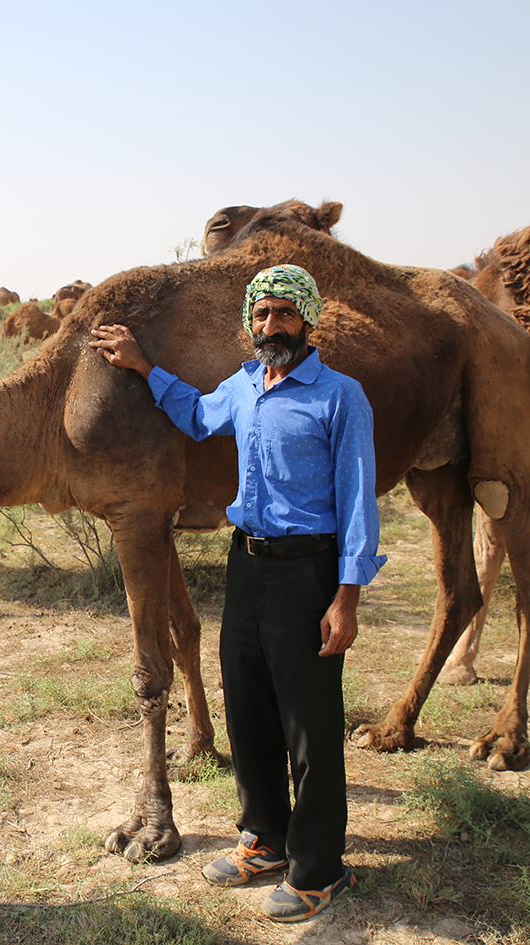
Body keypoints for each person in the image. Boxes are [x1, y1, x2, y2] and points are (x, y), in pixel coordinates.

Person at [88, 264, 384, 923]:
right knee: (247, 708)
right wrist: (140, 365)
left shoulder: (341, 397)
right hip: (245, 564)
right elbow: (195, 417)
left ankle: (317, 867)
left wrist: (346, 597)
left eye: (282, 312)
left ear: (307, 320)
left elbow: (358, 501)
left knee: (307, 725)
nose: (269, 324)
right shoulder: (245, 385)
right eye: (260, 314)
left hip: (308, 572)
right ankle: (264, 839)